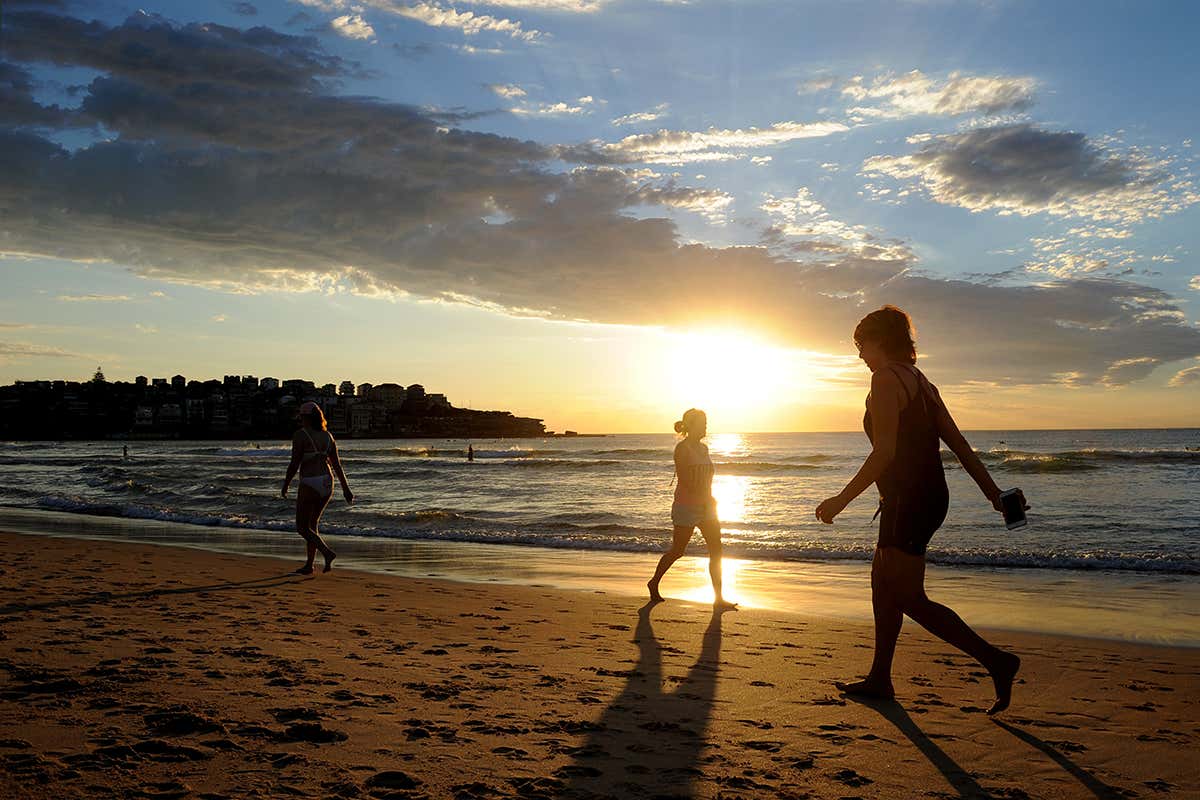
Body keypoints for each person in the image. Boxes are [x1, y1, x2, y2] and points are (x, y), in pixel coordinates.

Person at [815, 306, 1026, 715]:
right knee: (883, 585)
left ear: (882, 341)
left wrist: (841, 500)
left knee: (907, 596)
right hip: (924, 497)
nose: (860, 355)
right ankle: (880, 677)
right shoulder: (923, 383)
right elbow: (960, 445)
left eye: (862, 345)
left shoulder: (886, 379)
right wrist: (994, 495)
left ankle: (997, 661)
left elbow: (884, 453)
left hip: (909, 501)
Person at [647, 409, 736, 610]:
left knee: (716, 550)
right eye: (702, 423)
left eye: (706, 422)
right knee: (678, 551)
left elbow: (707, 478)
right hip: (687, 507)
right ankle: (654, 582)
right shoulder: (682, 449)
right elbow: (685, 480)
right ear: (691, 425)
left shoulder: (704, 449)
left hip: (707, 506)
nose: (706, 426)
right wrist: (703, 499)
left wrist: (710, 499)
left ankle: (718, 598)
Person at [281, 401, 353, 575]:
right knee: (313, 525)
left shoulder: (301, 435)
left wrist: (286, 483)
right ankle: (309, 565)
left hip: (310, 482)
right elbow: (337, 465)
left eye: (301, 416)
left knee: (302, 527)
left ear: (305, 417)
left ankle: (327, 553)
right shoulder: (328, 436)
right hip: (327, 483)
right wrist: (346, 489)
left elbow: (295, 463)